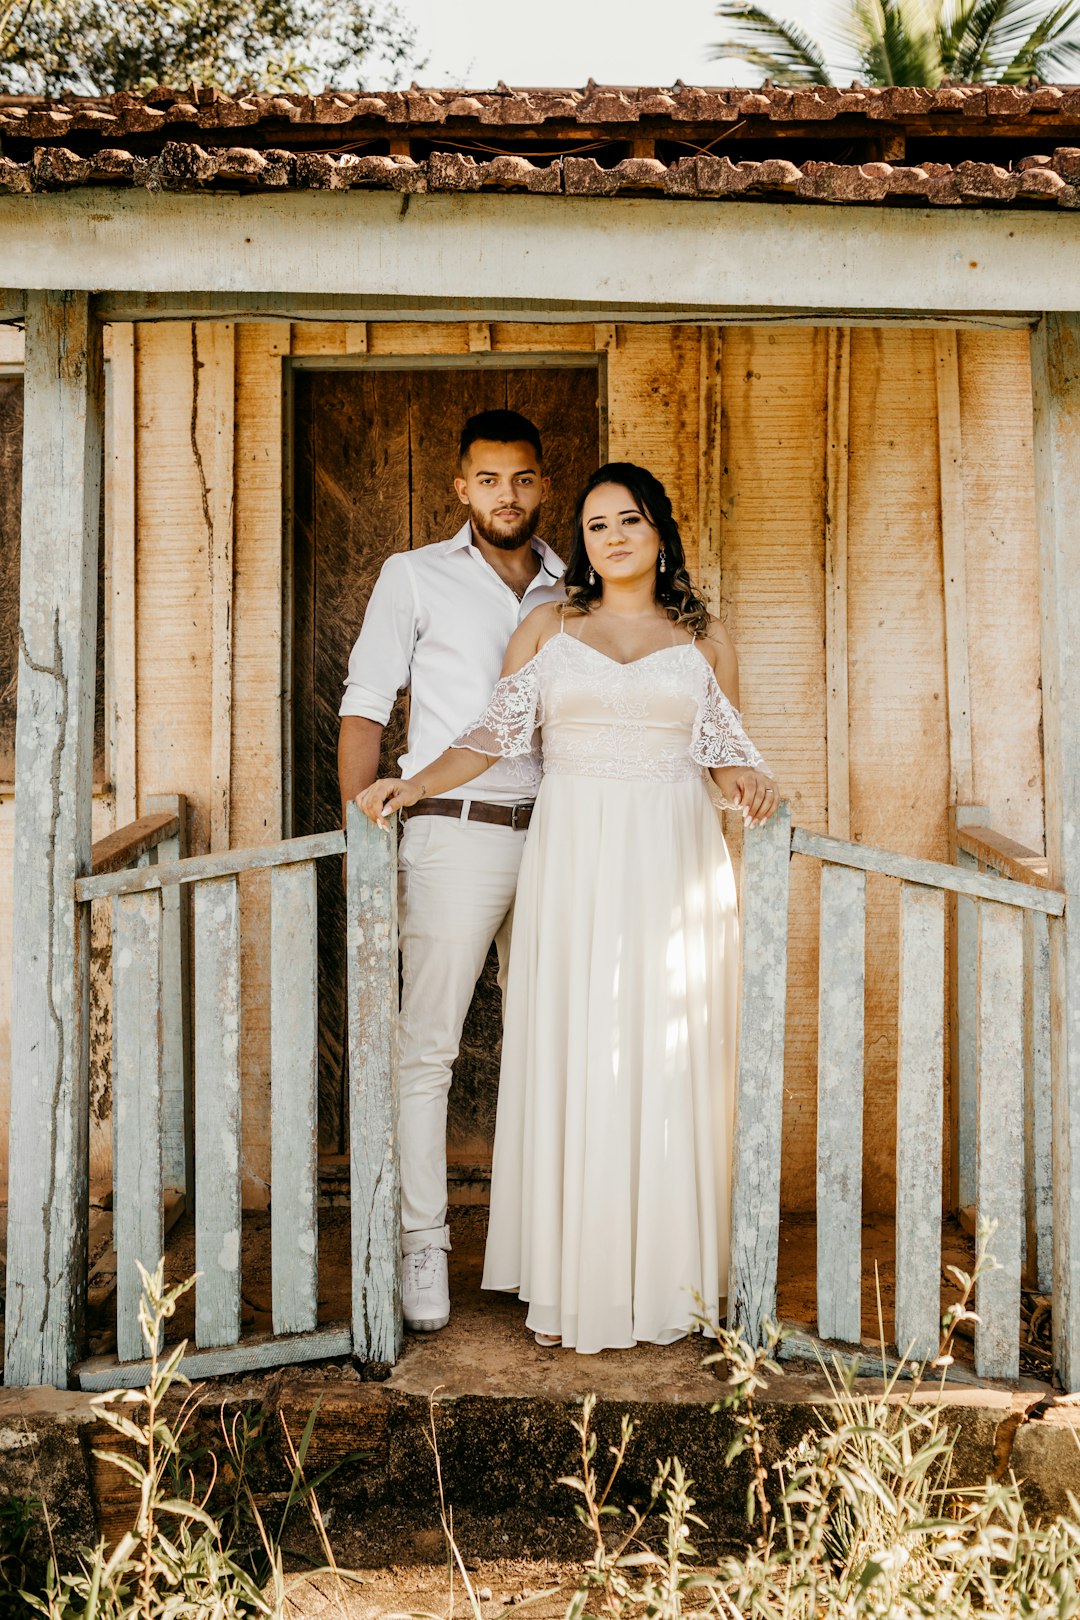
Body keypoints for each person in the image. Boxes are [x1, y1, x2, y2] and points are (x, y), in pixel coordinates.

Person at [359, 462, 778, 1353]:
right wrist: (414, 782)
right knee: (583, 1050)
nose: (613, 537)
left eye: (630, 520)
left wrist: (746, 779)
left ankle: (671, 1278)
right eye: (595, 525)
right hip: (574, 854)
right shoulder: (548, 625)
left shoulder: (705, 641)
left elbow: (724, 753)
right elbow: (490, 735)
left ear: (659, 532)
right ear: (580, 542)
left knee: (667, 1053)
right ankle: (575, 1274)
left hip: (672, 859)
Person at [338, 409, 565, 1333]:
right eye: (487, 480)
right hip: (453, 831)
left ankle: (550, 1249)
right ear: (459, 487)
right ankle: (421, 1244)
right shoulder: (416, 575)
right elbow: (364, 702)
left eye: (521, 479)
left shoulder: (576, 577)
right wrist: (365, 826)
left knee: (559, 1046)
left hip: (565, 835)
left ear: (542, 483)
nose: (505, 496)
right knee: (426, 1046)